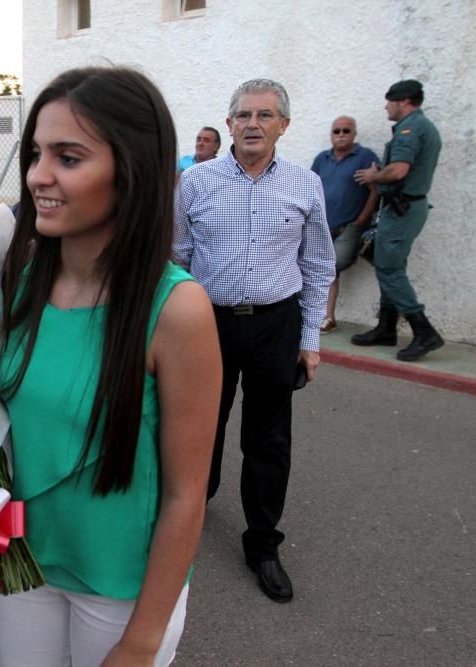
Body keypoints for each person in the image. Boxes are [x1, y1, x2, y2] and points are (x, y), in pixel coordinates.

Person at [0, 66, 222, 666]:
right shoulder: (17, 280)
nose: (38, 176)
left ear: (130, 170)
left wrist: (142, 639)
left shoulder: (177, 309)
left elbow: (188, 495)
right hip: (23, 563)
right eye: (34, 154)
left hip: (122, 589)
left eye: (68, 157)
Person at [173, 78, 334, 603]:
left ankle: (263, 544)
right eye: (243, 115)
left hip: (275, 324)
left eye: (265, 115)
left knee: (268, 440)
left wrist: (309, 339)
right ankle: (189, 515)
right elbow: (176, 258)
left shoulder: (305, 184)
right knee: (201, 428)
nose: (252, 124)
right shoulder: (195, 182)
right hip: (207, 323)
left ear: (283, 125)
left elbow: (317, 264)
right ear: (229, 124)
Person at [352, 79, 443, 361]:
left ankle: (424, 331)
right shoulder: (420, 127)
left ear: (403, 101)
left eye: (389, 101)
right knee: (388, 265)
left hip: (402, 208)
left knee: (389, 269)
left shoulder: (411, 128)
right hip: (402, 208)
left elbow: (398, 171)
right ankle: (386, 328)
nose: (386, 106)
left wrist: (373, 176)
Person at [311, 116, 380, 332]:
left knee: (331, 265)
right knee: (321, 267)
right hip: (322, 225)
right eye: (337, 131)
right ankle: (325, 317)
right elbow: (310, 188)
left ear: (354, 134)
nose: (341, 135)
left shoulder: (365, 157)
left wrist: (361, 219)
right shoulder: (322, 158)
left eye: (346, 131)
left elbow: (375, 190)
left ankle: (326, 315)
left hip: (349, 226)